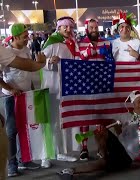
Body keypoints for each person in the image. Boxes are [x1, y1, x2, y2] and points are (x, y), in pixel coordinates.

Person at [58, 90, 140, 179]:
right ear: (133, 104)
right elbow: (122, 133)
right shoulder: (126, 116)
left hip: (126, 156)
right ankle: (102, 154)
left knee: (102, 164)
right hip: (120, 145)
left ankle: (71, 171)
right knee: (100, 128)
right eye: (139, 101)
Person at [0, 32, 46, 180]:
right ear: (14, 37)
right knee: (12, 131)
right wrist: (10, 89)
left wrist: (32, 89)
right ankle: (12, 165)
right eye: (24, 36)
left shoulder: (27, 50)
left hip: (26, 95)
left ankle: (24, 160)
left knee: (24, 129)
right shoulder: (6, 51)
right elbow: (29, 66)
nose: (28, 38)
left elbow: (29, 72)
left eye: (27, 35)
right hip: (11, 97)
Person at [41, 16, 79, 167]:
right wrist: (49, 61)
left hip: (66, 88)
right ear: (59, 28)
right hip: (52, 87)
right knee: (49, 123)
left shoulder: (72, 43)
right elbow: (39, 61)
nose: (68, 30)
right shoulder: (51, 42)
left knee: (63, 121)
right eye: (66, 27)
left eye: (70, 27)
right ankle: (45, 155)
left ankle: (61, 152)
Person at [77, 19, 113, 161]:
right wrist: (86, 53)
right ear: (87, 28)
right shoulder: (80, 44)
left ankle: (101, 147)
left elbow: (111, 62)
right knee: (84, 117)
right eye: (91, 27)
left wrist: (107, 56)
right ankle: (84, 148)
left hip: (101, 84)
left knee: (100, 117)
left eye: (96, 27)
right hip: (86, 85)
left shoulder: (107, 42)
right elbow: (76, 61)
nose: (94, 29)